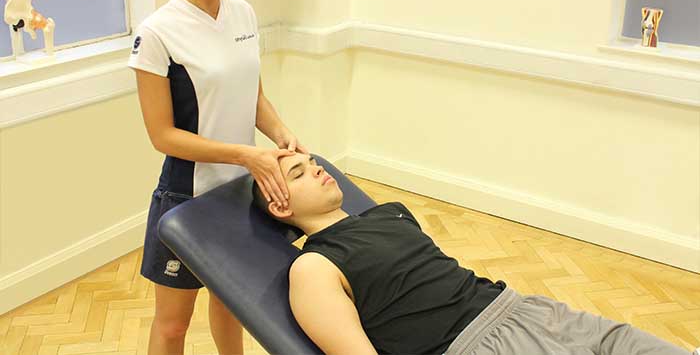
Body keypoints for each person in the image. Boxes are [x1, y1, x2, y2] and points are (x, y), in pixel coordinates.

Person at [253, 153, 694, 355]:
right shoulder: (314, 267)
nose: (317, 168)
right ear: (281, 205)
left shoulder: (391, 213)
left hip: (524, 310)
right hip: (470, 345)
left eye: (313, 161)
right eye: (298, 172)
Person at [128, 0, 307, 354]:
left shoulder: (242, 13)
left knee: (234, 306)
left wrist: (281, 134)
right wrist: (245, 153)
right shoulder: (157, 33)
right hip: (186, 194)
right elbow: (162, 135)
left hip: (243, 187)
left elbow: (253, 96)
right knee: (172, 324)